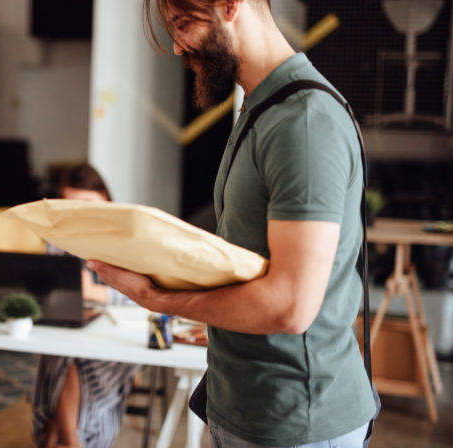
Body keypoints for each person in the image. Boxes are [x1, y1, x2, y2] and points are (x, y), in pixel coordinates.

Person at [89, 1, 377, 447]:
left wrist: (159, 297)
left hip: (296, 422)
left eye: (183, 24)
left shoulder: (302, 121)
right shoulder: (260, 108)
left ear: (229, 6)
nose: (177, 45)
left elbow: (290, 306)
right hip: (245, 407)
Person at [32, 163, 141, 448]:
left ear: (105, 198)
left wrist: (95, 292)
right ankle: (70, 438)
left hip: (119, 336)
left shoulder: (127, 237)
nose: (79, 213)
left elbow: (145, 296)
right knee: (64, 352)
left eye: (87, 204)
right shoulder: (57, 237)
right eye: (71, 206)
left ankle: (62, 435)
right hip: (72, 326)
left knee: (79, 359)